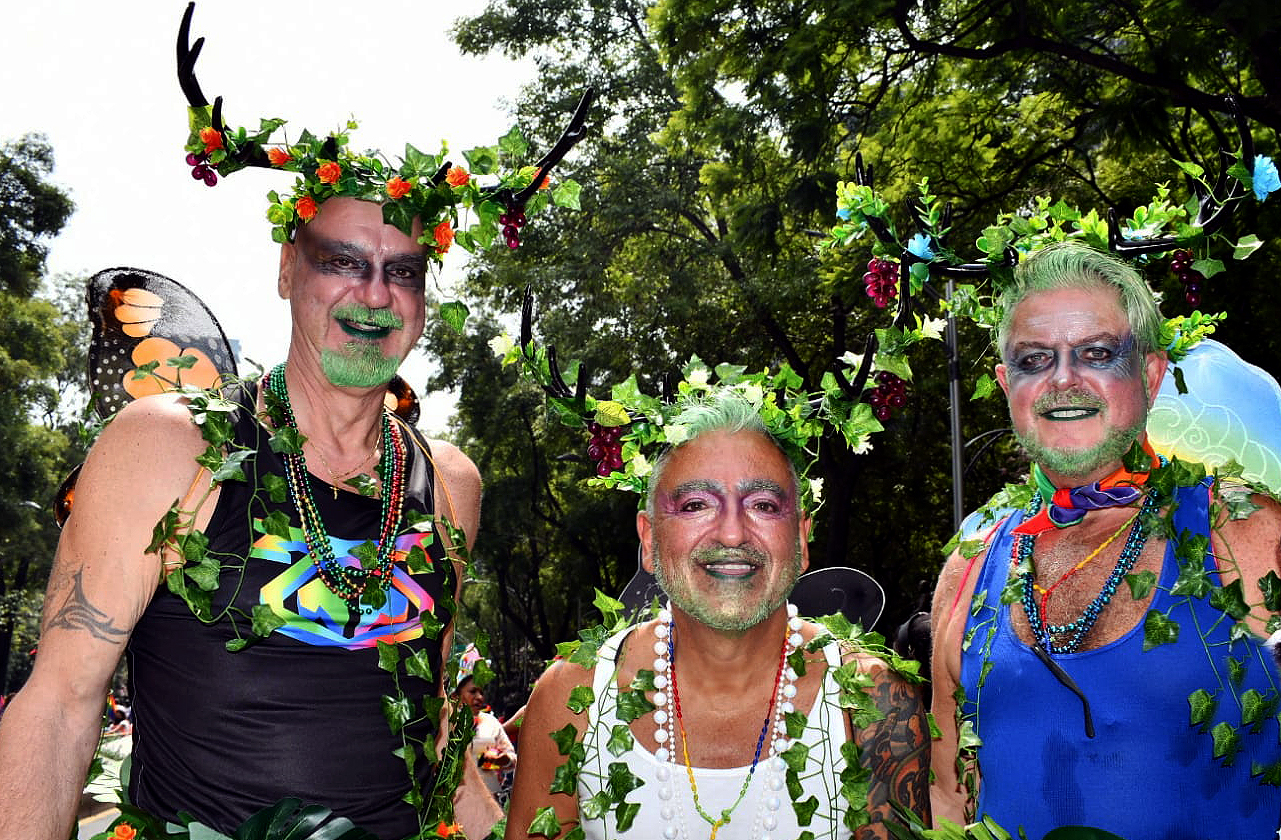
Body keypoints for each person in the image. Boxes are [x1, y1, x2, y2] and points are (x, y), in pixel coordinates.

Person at [930, 242, 1281, 838]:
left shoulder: (1244, 531)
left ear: (1151, 374)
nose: (1064, 379)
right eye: (1034, 359)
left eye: (1097, 353)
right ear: (1006, 385)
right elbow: (949, 794)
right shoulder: (972, 561)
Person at [506, 391, 931, 840]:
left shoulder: (875, 703)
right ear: (649, 540)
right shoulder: (572, 699)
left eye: (763, 505)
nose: (732, 533)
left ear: (801, 540)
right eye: (695, 505)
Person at [456, 673, 518, 800]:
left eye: (481, 693)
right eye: (473, 692)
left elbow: (512, 758)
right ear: (456, 695)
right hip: (456, 801)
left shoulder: (491, 723)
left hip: (488, 800)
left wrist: (500, 760)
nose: (479, 697)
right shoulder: (447, 723)